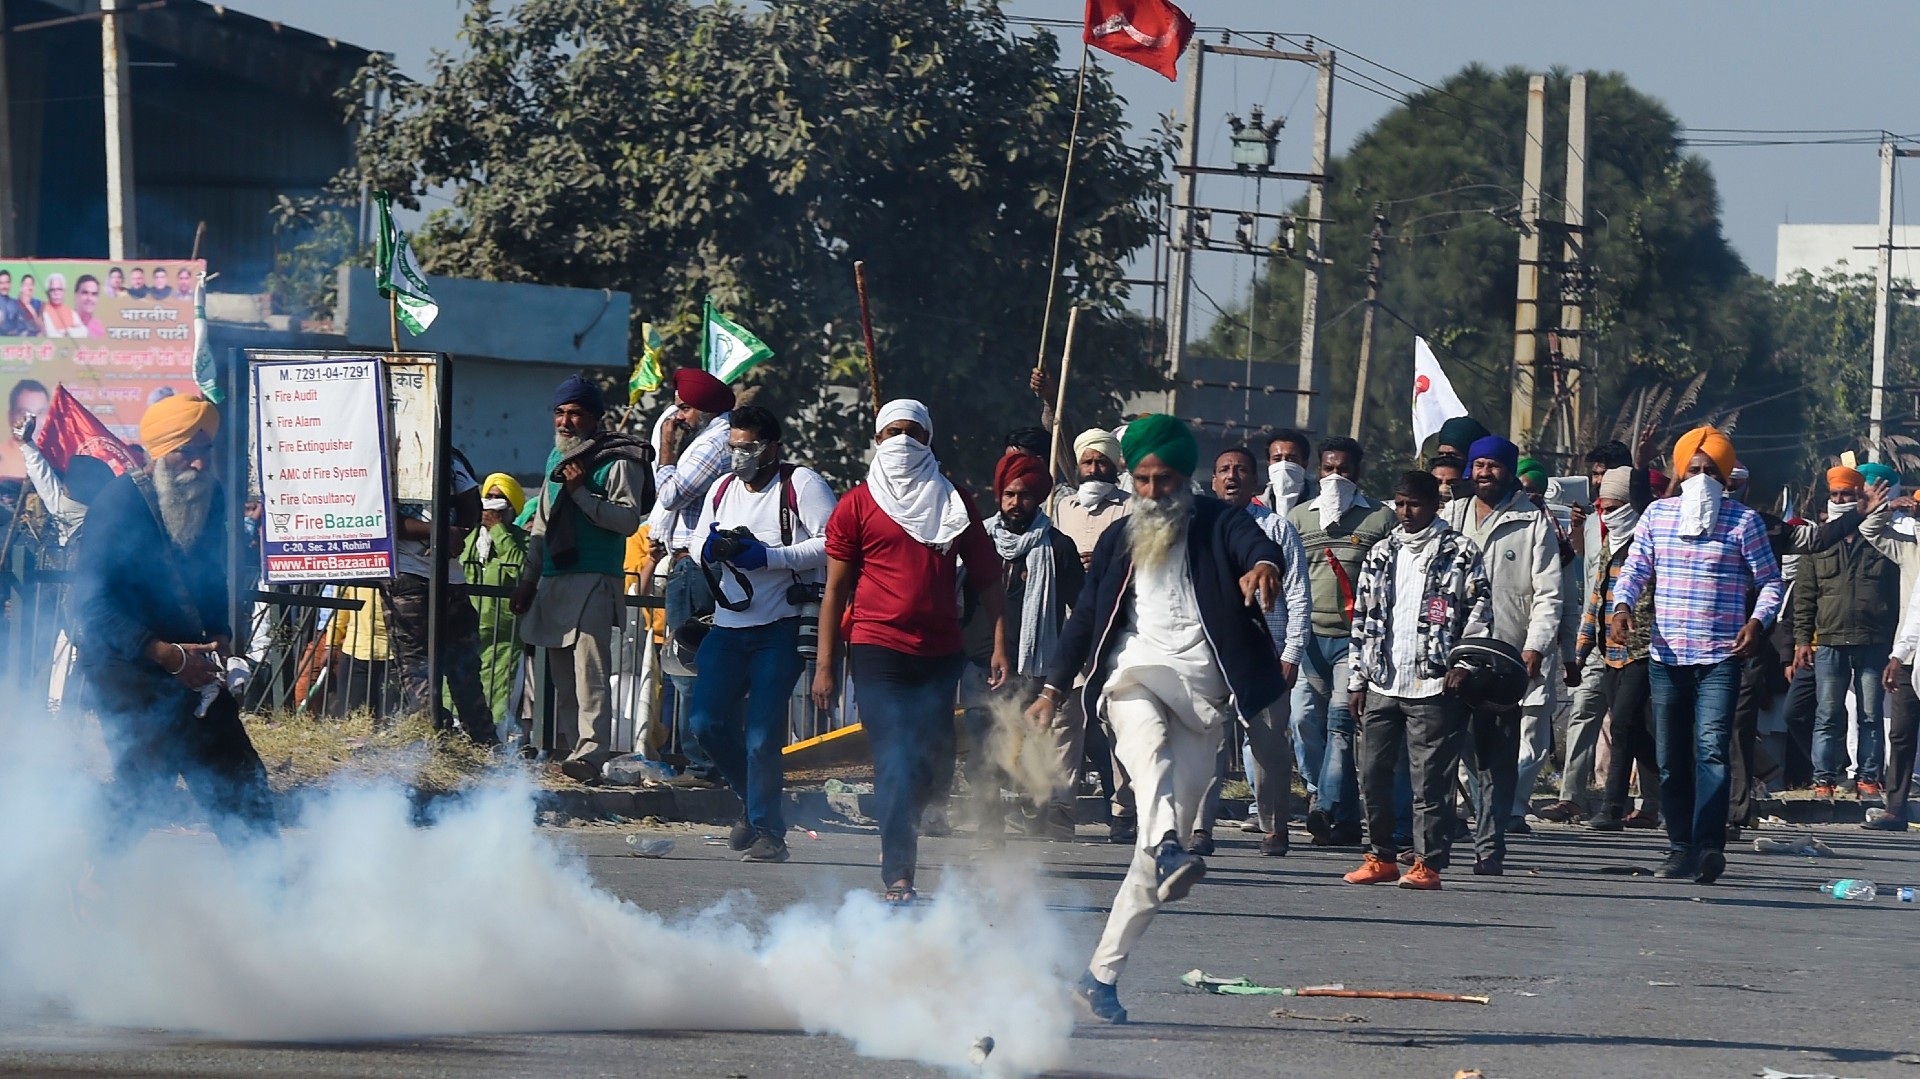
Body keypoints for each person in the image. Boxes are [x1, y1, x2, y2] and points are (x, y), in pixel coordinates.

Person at [1029, 414, 1285, 1025]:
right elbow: (1087, 615)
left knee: (1153, 857)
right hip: (1133, 673)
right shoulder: (1120, 536)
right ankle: (1170, 843)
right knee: (1151, 764)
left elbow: (1257, 546)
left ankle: (1099, 977)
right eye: (1140, 479)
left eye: (1161, 479)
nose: (1150, 492)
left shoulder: (1220, 521)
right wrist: (1050, 687)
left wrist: (1264, 567)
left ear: (1184, 477)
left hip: (1202, 694)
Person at [813, 399, 1010, 904]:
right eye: (892, 432)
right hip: (877, 648)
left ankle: (906, 823)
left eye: (912, 433)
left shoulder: (953, 502)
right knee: (894, 757)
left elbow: (989, 578)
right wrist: (826, 665)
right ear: (877, 440)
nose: (902, 441)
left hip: (940, 651)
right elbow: (835, 590)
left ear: (929, 440)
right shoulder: (856, 505)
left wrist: (1001, 644)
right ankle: (898, 869)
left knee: (932, 761)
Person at [72, 394, 276, 852]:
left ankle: (272, 895)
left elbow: (209, 576)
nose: (200, 465)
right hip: (127, 665)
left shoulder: (214, 495)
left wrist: (220, 633)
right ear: (157, 455)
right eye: (187, 451)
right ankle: (92, 882)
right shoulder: (119, 505)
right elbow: (91, 603)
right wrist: (164, 653)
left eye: (205, 452)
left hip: (193, 663)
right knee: (147, 780)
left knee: (238, 775)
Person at [1612, 426, 1783, 884]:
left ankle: (1709, 846)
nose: (1703, 477)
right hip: (1668, 656)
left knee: (1711, 750)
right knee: (1671, 757)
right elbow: (1634, 569)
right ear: (1680, 472)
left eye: (1712, 471)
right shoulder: (1658, 518)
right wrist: (1622, 606)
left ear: (1727, 478)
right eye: (1695, 469)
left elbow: (1770, 582)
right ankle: (1679, 847)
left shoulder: (1742, 523)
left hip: (1720, 656)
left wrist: (1756, 623)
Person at [687, 406, 835, 863]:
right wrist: (711, 547)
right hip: (729, 627)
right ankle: (754, 805)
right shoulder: (722, 488)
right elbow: (694, 541)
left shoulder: (802, 484)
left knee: (760, 736)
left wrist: (770, 557)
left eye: (748, 448)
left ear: (772, 447)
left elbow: (834, 542)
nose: (739, 457)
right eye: (733, 447)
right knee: (704, 724)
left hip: (781, 627)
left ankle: (769, 830)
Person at [1341, 470, 1492, 889]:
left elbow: (1479, 613)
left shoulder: (1460, 551)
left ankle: (1427, 863)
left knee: (1430, 783)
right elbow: (1363, 618)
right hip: (1382, 682)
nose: (1406, 513)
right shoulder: (1382, 551)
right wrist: (1358, 679)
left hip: (1432, 686)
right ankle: (1379, 857)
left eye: (1415, 504)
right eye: (1400, 503)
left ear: (1434, 506)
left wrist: (1463, 665)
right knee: (1372, 775)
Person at [510, 375, 653, 783]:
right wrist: (527, 579)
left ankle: (591, 754)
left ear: (595, 417)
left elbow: (627, 520)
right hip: (554, 580)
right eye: (560, 413)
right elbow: (542, 526)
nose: (565, 422)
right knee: (564, 680)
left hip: (594, 579)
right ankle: (575, 753)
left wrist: (580, 493)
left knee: (590, 676)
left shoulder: (619, 458)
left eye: (575, 414)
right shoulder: (556, 459)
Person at [1441, 435, 1565, 874]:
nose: (1484, 473)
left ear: (1509, 471)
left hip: (1506, 659)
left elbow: (1549, 595)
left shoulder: (1533, 523)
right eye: (1478, 465)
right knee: (1444, 750)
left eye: (1493, 466)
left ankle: (1489, 845)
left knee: (1496, 754)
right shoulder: (1450, 517)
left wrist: (1535, 647)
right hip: (1451, 653)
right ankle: (1435, 840)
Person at [963, 450, 1083, 842]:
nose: (1016, 503)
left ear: (1039, 500)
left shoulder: (1058, 548)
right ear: (999, 495)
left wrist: (1068, 669)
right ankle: (989, 827)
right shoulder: (977, 541)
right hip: (980, 662)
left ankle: (1036, 819)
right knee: (982, 749)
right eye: (1010, 495)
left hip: (1036, 667)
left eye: (1026, 496)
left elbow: (1079, 609)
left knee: (1030, 754)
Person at [1287, 435, 1396, 847]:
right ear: (1318, 471)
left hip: (1352, 642)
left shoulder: (1380, 520)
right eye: (1328, 469)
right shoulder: (1298, 519)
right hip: (1307, 639)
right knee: (1301, 722)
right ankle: (1340, 813)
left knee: (1339, 726)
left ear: (1358, 474)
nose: (1335, 478)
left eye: (1344, 471)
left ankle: (1324, 807)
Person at [1207, 444, 1309, 856]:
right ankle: (1199, 825)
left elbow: (1300, 596)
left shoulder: (1278, 530)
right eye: (1223, 469)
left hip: (1266, 655)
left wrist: (1292, 653)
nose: (1232, 476)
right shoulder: (1200, 530)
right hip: (1210, 654)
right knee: (1205, 742)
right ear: (1213, 481)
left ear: (1255, 480)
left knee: (1268, 745)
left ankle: (1274, 826)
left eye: (1241, 470)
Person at [1538, 441, 1639, 823]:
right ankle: (1572, 795)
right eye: (1595, 476)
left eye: (1605, 476)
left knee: (1637, 720)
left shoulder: (1648, 523)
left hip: (1638, 639)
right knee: (1584, 709)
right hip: (1597, 632)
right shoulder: (1597, 520)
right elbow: (1590, 574)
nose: (1598, 485)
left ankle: (1648, 803)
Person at [647, 368, 736, 788]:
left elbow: (670, 494)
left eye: (682, 409)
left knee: (687, 665)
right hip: (705, 563)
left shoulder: (712, 443)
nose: (676, 418)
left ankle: (701, 766)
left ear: (698, 409)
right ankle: (707, 761)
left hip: (696, 564)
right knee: (702, 664)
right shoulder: (717, 438)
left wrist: (664, 450)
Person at [1048, 427, 1134, 841]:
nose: (1094, 468)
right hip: (1069, 629)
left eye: (1102, 461)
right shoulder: (1061, 507)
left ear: (1116, 465)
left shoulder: (1132, 508)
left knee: (1118, 722)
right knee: (1066, 721)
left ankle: (1124, 809)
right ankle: (1060, 808)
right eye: (1088, 461)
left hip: (1115, 631)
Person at [1794, 465, 1899, 797]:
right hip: (1830, 640)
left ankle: (1868, 778)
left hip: (1873, 640)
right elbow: (1805, 595)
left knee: (1870, 714)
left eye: (1848, 495)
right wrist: (1801, 640)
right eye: (1836, 494)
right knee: (1827, 713)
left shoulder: (1879, 538)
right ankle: (1823, 780)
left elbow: (1897, 596)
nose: (1841, 499)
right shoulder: (1818, 540)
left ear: (1860, 498)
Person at [382, 452, 495, 743]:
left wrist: (453, 535)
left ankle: (445, 740)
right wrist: (447, 534)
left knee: (420, 668)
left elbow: (384, 517)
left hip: (420, 580)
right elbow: (472, 500)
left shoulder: (393, 455)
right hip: (436, 579)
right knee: (459, 670)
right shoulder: (446, 455)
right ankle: (474, 741)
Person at [1576, 468, 1662, 830]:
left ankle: (1611, 807)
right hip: (1610, 652)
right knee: (1634, 731)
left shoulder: (1652, 541)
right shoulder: (1609, 545)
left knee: (1624, 724)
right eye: (1603, 508)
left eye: (1614, 507)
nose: (1607, 515)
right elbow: (1596, 597)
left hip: (1645, 648)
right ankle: (1671, 792)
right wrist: (1580, 649)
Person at [1860, 466, 1920, 830]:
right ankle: (1895, 810)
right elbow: (1868, 529)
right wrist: (1886, 508)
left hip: (1907, 646)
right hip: (1910, 652)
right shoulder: (1910, 544)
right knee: (1900, 733)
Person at [461, 472, 530, 736]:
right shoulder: (471, 538)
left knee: (499, 699)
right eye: (488, 497)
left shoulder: (522, 541)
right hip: (467, 630)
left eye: (499, 499)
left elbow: (520, 569)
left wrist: (498, 531)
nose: (491, 503)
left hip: (505, 638)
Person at [1261, 428, 1312, 514]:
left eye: (1291, 459)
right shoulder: (1255, 508)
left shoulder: (1320, 506)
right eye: (1277, 459)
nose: (1283, 464)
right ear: (1269, 464)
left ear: (1304, 464)